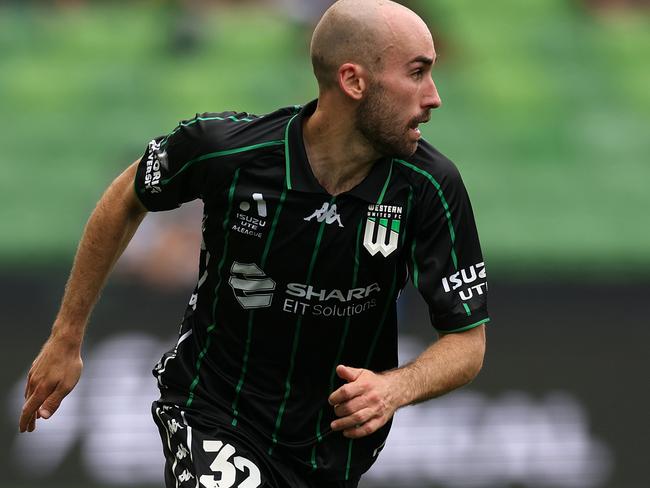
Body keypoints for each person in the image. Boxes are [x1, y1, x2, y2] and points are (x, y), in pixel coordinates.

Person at [19, 0, 489, 486]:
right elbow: (126, 195)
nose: (433, 96)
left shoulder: (430, 188)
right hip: (215, 412)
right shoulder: (231, 152)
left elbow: (467, 343)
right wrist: (66, 337)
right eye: (417, 73)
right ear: (353, 81)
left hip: (329, 450)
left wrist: (394, 388)